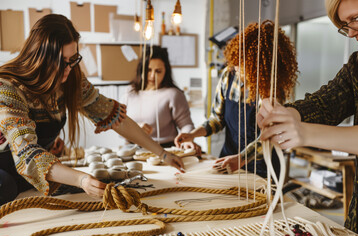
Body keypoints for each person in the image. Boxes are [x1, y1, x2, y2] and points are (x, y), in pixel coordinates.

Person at [0, 14, 184, 205]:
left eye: (72, 59)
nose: (68, 69)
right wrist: (81, 179)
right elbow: (27, 155)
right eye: (61, 61)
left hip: (39, 172)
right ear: (40, 57)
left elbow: (114, 117)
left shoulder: (70, 78)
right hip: (7, 171)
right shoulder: (7, 88)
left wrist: (162, 154)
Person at [257, 0, 358, 233]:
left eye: (356, 18)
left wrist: (304, 132)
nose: (352, 32)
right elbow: (325, 103)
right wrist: (288, 114)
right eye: (346, 25)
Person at [175, 20, 298, 177]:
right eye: (237, 63)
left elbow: (269, 137)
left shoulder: (271, 90)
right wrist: (192, 134)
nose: (238, 70)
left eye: (246, 66)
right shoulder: (228, 76)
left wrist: (241, 159)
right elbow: (216, 119)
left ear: (262, 66)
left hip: (262, 168)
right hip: (228, 158)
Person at [121, 45, 200, 152]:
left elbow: (186, 125)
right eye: (149, 70)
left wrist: (187, 139)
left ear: (166, 71)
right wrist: (135, 128)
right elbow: (120, 124)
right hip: (132, 150)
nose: (152, 76)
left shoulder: (173, 94)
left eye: (158, 71)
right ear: (141, 70)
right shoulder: (129, 92)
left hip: (165, 150)